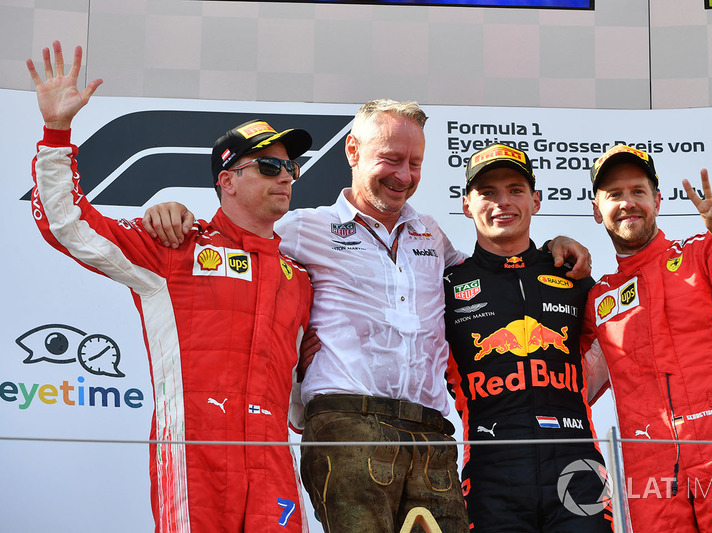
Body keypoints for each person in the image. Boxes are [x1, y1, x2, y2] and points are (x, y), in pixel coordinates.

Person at [144, 100, 591, 532]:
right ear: (353, 152)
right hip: (348, 425)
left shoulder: (431, 234)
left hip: (430, 433)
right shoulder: (303, 228)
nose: (404, 175)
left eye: (414, 163)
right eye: (392, 159)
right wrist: (177, 215)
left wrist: (551, 247)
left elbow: (488, 273)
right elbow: (238, 248)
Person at [27, 42, 314, 532]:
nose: (285, 177)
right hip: (194, 460)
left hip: (273, 469)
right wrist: (57, 134)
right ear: (227, 179)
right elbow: (67, 223)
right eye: (269, 167)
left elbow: (302, 394)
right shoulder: (174, 247)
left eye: (291, 168)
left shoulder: (299, 276)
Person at [580, 144, 712, 531]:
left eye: (638, 192)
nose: (628, 203)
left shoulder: (704, 252)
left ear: (657, 201)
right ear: (597, 210)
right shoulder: (598, 300)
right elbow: (574, 385)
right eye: (614, 195)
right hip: (648, 474)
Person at [443, 143, 612, 532]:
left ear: (535, 200)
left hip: (577, 463)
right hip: (491, 469)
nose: (503, 202)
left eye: (515, 190)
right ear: (467, 205)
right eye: (488, 192)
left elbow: (611, 354)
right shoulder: (448, 285)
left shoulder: (574, 277)